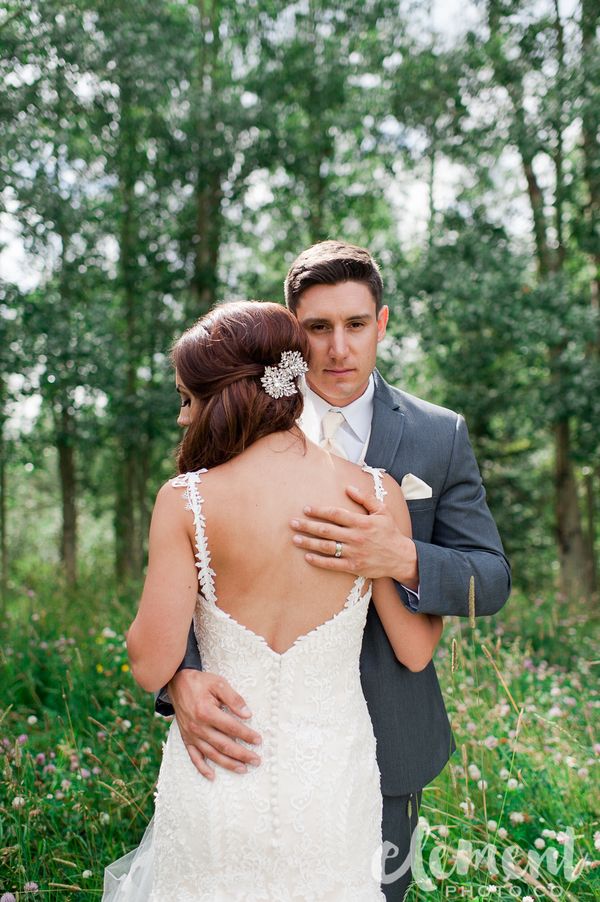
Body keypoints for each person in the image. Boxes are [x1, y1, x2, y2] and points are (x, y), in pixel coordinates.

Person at [162, 241, 512, 900]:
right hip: (242, 741)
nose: (338, 348)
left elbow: (489, 576)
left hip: (388, 743)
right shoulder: (230, 423)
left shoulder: (439, 436)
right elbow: (184, 554)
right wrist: (180, 675)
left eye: (356, 324)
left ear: (382, 323)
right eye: (317, 328)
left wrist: (401, 556)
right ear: (292, 334)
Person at [103, 300, 444, 900]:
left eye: (187, 399)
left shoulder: (186, 501)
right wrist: (398, 557)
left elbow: (152, 662)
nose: (184, 419)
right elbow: (415, 651)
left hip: (217, 769)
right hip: (333, 785)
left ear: (223, 396)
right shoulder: (374, 494)